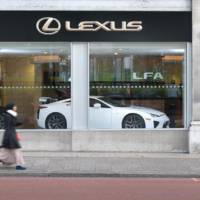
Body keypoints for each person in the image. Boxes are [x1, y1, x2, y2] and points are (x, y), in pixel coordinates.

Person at [0, 103, 26, 170]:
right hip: (10, 135)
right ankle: (18, 165)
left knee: (7, 151)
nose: (16, 107)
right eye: (14, 106)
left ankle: (16, 164)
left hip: (10, 134)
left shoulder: (10, 115)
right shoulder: (9, 115)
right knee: (17, 150)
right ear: (11, 107)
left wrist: (21, 122)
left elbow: (12, 124)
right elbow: (9, 126)